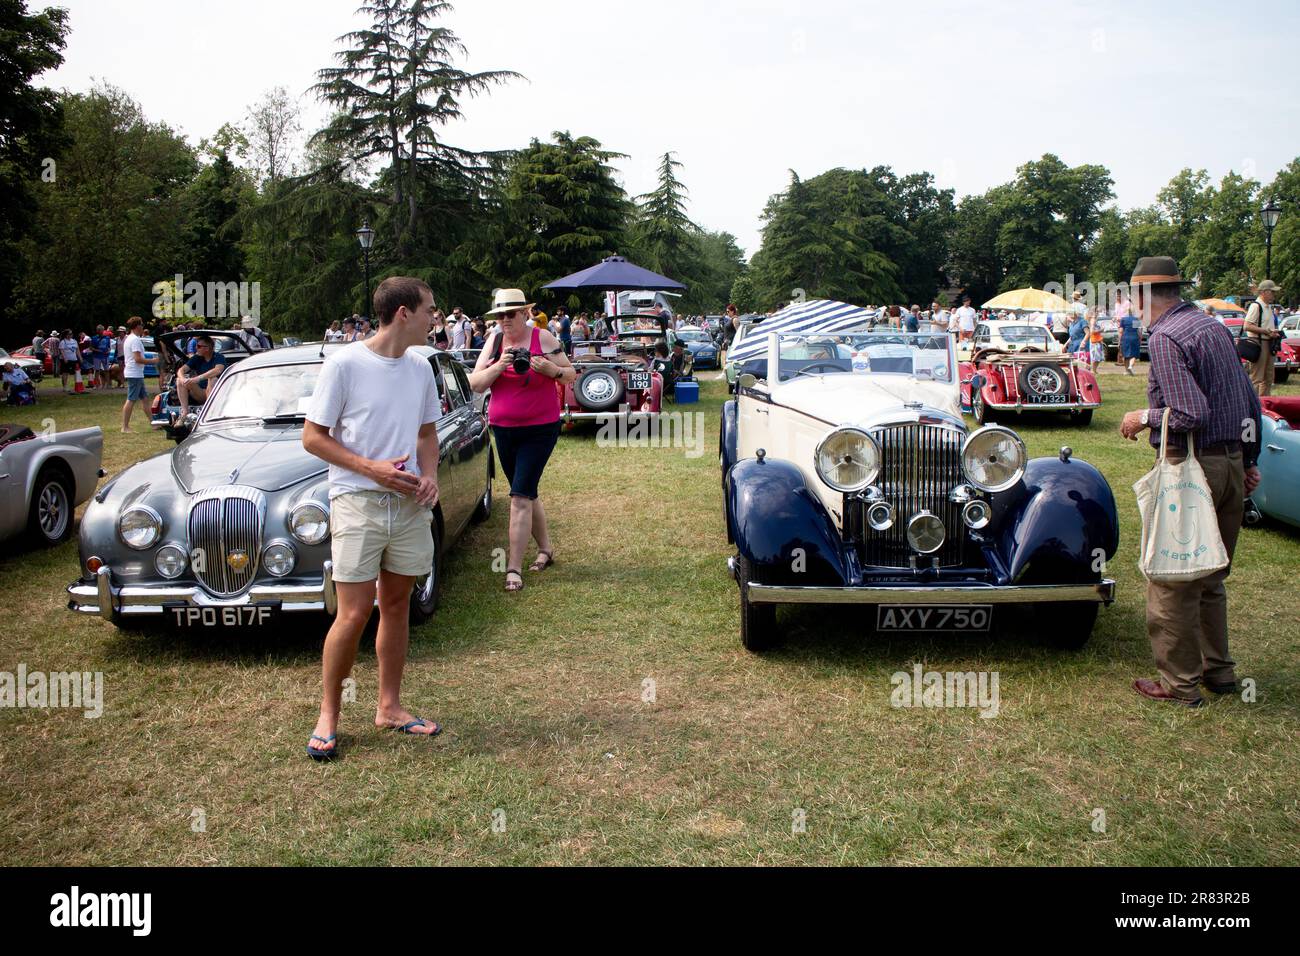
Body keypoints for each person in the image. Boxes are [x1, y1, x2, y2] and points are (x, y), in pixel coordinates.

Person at [301, 276, 443, 760]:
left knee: (398, 604)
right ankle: (329, 715)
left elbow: (427, 433)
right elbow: (313, 438)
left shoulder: (422, 368)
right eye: (429, 309)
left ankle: (389, 707)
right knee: (355, 611)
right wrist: (371, 469)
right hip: (358, 502)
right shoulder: (344, 365)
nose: (434, 317)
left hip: (408, 505)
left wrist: (430, 475)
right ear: (403, 312)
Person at [1118, 256, 1262, 708]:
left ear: (1142, 296)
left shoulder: (1165, 337)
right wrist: (1249, 461)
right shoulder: (1212, 326)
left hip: (1190, 468)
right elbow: (1248, 400)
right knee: (1211, 574)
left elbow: (1189, 414)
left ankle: (1180, 683)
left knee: (1171, 577)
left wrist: (1144, 416)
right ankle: (1219, 672)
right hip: (1232, 463)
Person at [468, 288, 575, 593]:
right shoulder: (494, 341)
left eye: (510, 314)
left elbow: (570, 374)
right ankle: (546, 550)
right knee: (526, 491)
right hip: (503, 428)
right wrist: (499, 365)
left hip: (540, 428)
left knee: (519, 496)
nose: (504, 320)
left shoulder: (544, 338)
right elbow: (475, 384)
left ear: (524, 313)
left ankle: (513, 567)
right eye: (499, 315)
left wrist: (550, 369)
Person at [1243, 279, 1283, 396]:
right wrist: (1267, 331)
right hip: (1259, 343)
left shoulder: (1267, 306)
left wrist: (1273, 333)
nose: (1274, 294)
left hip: (1268, 342)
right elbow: (1247, 326)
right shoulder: (1256, 306)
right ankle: (1255, 404)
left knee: (1268, 377)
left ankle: (1265, 403)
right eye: (1272, 292)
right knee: (1257, 377)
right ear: (1265, 292)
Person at [175, 334, 230, 420]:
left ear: (207, 348)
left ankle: (210, 412)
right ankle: (184, 412)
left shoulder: (219, 357)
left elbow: (218, 370)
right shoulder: (196, 358)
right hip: (200, 393)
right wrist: (183, 379)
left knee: (213, 379)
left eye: (199, 346)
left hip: (216, 394)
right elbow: (181, 370)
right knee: (179, 380)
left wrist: (198, 378)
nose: (196, 348)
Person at [120, 317, 152, 431]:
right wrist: (154, 361)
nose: (143, 327)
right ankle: (125, 427)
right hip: (134, 373)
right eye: (141, 325)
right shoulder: (135, 340)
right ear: (137, 326)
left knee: (145, 399)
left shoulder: (130, 338)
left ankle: (153, 423)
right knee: (131, 399)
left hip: (135, 373)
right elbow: (138, 359)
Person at [1117, 292, 1141, 374]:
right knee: (1134, 354)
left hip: (1125, 338)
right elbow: (1139, 331)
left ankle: (1126, 370)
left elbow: (1120, 331)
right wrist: (1140, 339)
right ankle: (1130, 366)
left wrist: (1119, 341)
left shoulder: (1123, 319)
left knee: (1125, 355)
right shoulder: (1136, 319)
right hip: (1134, 337)